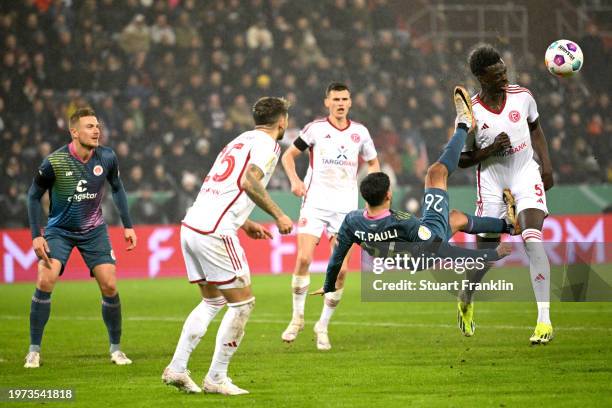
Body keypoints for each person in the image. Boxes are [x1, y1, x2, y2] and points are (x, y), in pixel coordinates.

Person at [317, 87, 513, 301]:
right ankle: (464, 124)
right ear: (388, 195)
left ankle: (508, 225)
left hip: (408, 259)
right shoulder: (404, 222)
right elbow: (446, 252)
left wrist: (328, 284)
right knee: (435, 173)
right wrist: (493, 254)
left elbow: (337, 256)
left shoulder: (352, 221)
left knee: (456, 219)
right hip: (425, 251)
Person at [162, 97, 293, 395]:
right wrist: (279, 214)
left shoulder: (239, 140)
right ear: (282, 121)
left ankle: (177, 369)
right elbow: (249, 182)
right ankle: (217, 377)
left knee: (213, 302)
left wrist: (245, 222)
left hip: (193, 224)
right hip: (214, 231)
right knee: (243, 304)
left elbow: (221, 185)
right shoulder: (269, 145)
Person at [25, 108, 137, 368]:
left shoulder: (107, 157)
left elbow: (118, 189)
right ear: (74, 132)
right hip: (59, 231)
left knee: (109, 284)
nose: (96, 130)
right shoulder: (54, 162)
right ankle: (33, 350)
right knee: (45, 278)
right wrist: (36, 235)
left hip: (94, 231)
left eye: (97, 125)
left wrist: (128, 226)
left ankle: (116, 349)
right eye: (89, 126)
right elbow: (32, 196)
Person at [458, 45, 554, 344]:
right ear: (480, 77)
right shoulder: (470, 111)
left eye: (504, 70)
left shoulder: (523, 96)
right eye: (496, 73)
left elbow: (535, 129)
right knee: (487, 255)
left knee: (532, 239)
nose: (504, 76)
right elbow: (461, 158)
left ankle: (544, 321)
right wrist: (489, 149)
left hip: (525, 173)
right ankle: (466, 297)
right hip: (491, 184)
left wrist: (547, 167)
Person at [280, 82, 380, 351]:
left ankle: (322, 326)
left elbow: (373, 163)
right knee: (303, 258)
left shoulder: (360, 133)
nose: (340, 103)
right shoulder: (316, 129)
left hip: (346, 210)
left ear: (350, 102)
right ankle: (297, 317)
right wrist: (294, 180)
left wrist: (375, 191)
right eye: (335, 99)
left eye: (345, 99)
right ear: (327, 103)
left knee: (342, 271)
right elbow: (288, 156)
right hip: (314, 203)